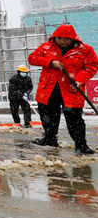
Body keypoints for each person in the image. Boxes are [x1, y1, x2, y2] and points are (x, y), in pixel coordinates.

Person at [28, 24, 98, 153]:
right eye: (59, 38)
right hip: (49, 88)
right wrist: (49, 62)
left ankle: (81, 145)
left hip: (71, 88)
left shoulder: (85, 50)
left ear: (73, 39)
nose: (62, 41)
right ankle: (49, 138)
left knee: (74, 119)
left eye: (66, 39)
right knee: (48, 116)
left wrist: (79, 79)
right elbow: (32, 58)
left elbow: (91, 67)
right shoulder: (47, 47)